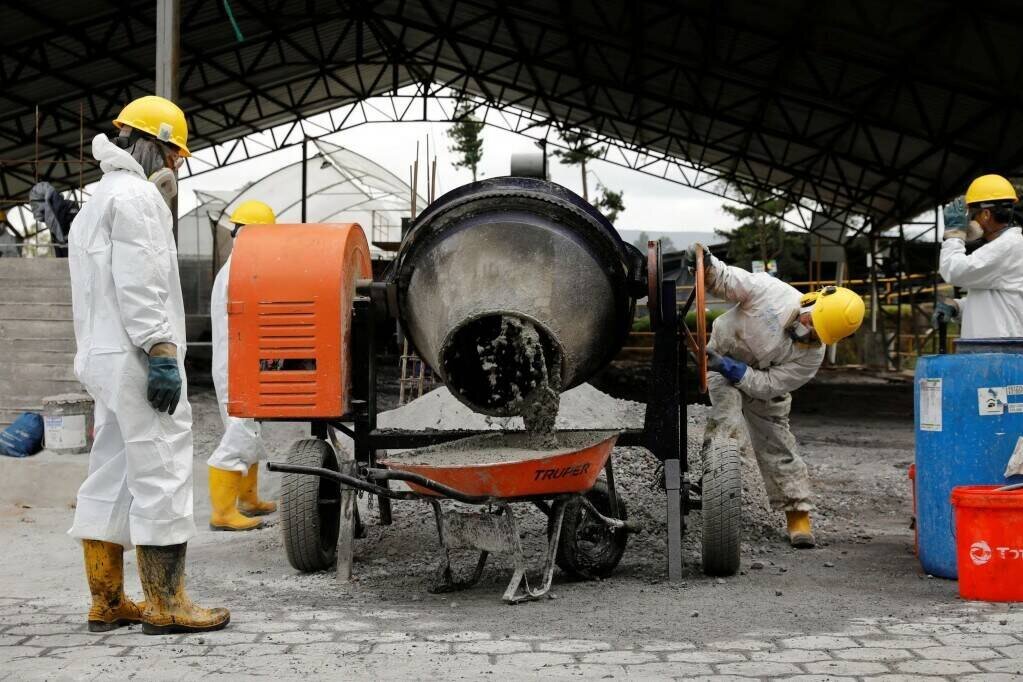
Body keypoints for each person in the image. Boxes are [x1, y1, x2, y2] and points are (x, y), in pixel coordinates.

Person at [67, 95, 229, 634]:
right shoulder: (138, 198)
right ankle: (166, 602)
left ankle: (107, 599)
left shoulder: (96, 200)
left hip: (102, 355)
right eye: (175, 153)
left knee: (111, 471)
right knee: (162, 465)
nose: (177, 164)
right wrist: (161, 349)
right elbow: (143, 281)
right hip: (137, 356)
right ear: (154, 145)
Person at [692, 244, 865, 548]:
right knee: (726, 424)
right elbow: (728, 280)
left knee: (778, 444)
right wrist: (706, 265)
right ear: (812, 303)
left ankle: (798, 515)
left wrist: (737, 371)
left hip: (760, 381)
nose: (810, 332)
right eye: (812, 323)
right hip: (721, 360)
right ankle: (715, 487)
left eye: (818, 334)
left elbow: (770, 384)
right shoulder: (771, 292)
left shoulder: (811, 357)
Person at [207, 199, 278, 531]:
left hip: (241, 360)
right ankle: (222, 512)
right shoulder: (238, 270)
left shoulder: (241, 265)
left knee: (250, 429)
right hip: (234, 364)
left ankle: (248, 500)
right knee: (240, 431)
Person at [934, 174, 1023, 339]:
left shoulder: (1006, 247)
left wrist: (954, 235)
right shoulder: (1007, 246)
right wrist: (958, 307)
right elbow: (995, 301)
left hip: (1002, 350)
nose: (966, 223)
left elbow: (954, 271)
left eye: (970, 216)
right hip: (997, 347)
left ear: (986, 214)